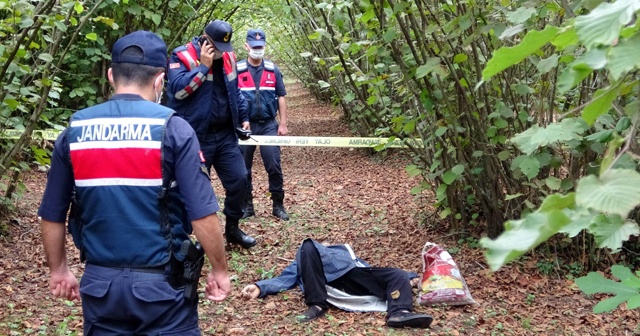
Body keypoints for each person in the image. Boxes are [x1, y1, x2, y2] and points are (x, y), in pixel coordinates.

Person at [38, 31, 231, 334]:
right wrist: (219, 269)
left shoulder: (74, 130)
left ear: (112, 75)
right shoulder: (174, 129)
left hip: (101, 286)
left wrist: (59, 270)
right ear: (160, 81)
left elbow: (52, 213)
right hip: (162, 290)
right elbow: (202, 214)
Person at [166, 19, 256, 248]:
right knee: (190, 189)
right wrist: (203, 66)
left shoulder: (228, 57)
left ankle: (233, 228)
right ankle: (183, 240)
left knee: (239, 179)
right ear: (205, 40)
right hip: (195, 136)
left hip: (225, 134)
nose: (220, 53)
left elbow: (235, 92)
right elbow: (178, 92)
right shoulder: (181, 56)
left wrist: (244, 117)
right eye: (216, 47)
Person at [241, 238, 433, 328]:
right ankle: (316, 305)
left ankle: (399, 313)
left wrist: (410, 278)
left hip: (355, 275)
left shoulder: (345, 253)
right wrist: (260, 286)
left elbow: (369, 270)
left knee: (397, 273)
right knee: (306, 244)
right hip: (327, 282)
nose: (323, 246)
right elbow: (285, 279)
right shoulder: (307, 255)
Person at [237, 28, 289, 221]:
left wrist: (282, 124)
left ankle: (278, 205)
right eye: (254, 46)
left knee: (274, 165)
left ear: (264, 46)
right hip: (245, 126)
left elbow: (281, 96)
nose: (257, 50)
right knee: (243, 169)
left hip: (268, 124)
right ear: (246, 46)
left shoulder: (272, 69)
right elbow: (232, 99)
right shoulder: (237, 69)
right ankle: (247, 205)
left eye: (260, 47)